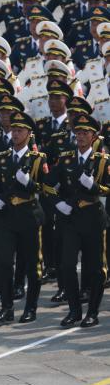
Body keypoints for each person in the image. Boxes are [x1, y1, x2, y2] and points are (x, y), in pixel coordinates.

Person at [0, 109, 49, 323]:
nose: (16, 134)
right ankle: (7, 307)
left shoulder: (38, 159)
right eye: (14, 130)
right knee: (3, 263)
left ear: (29, 133)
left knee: (32, 265)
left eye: (20, 130)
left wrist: (29, 183)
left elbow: (47, 189)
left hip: (29, 216)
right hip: (8, 217)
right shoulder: (2, 158)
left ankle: (31, 308)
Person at [52, 112, 109, 327]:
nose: (81, 136)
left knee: (95, 269)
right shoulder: (66, 158)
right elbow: (48, 184)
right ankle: (74, 310)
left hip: (93, 219)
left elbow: (107, 188)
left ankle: (92, 312)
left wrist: (94, 186)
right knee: (67, 265)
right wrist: (58, 203)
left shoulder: (102, 161)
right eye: (78, 132)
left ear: (94, 137)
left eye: (85, 133)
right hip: (72, 219)